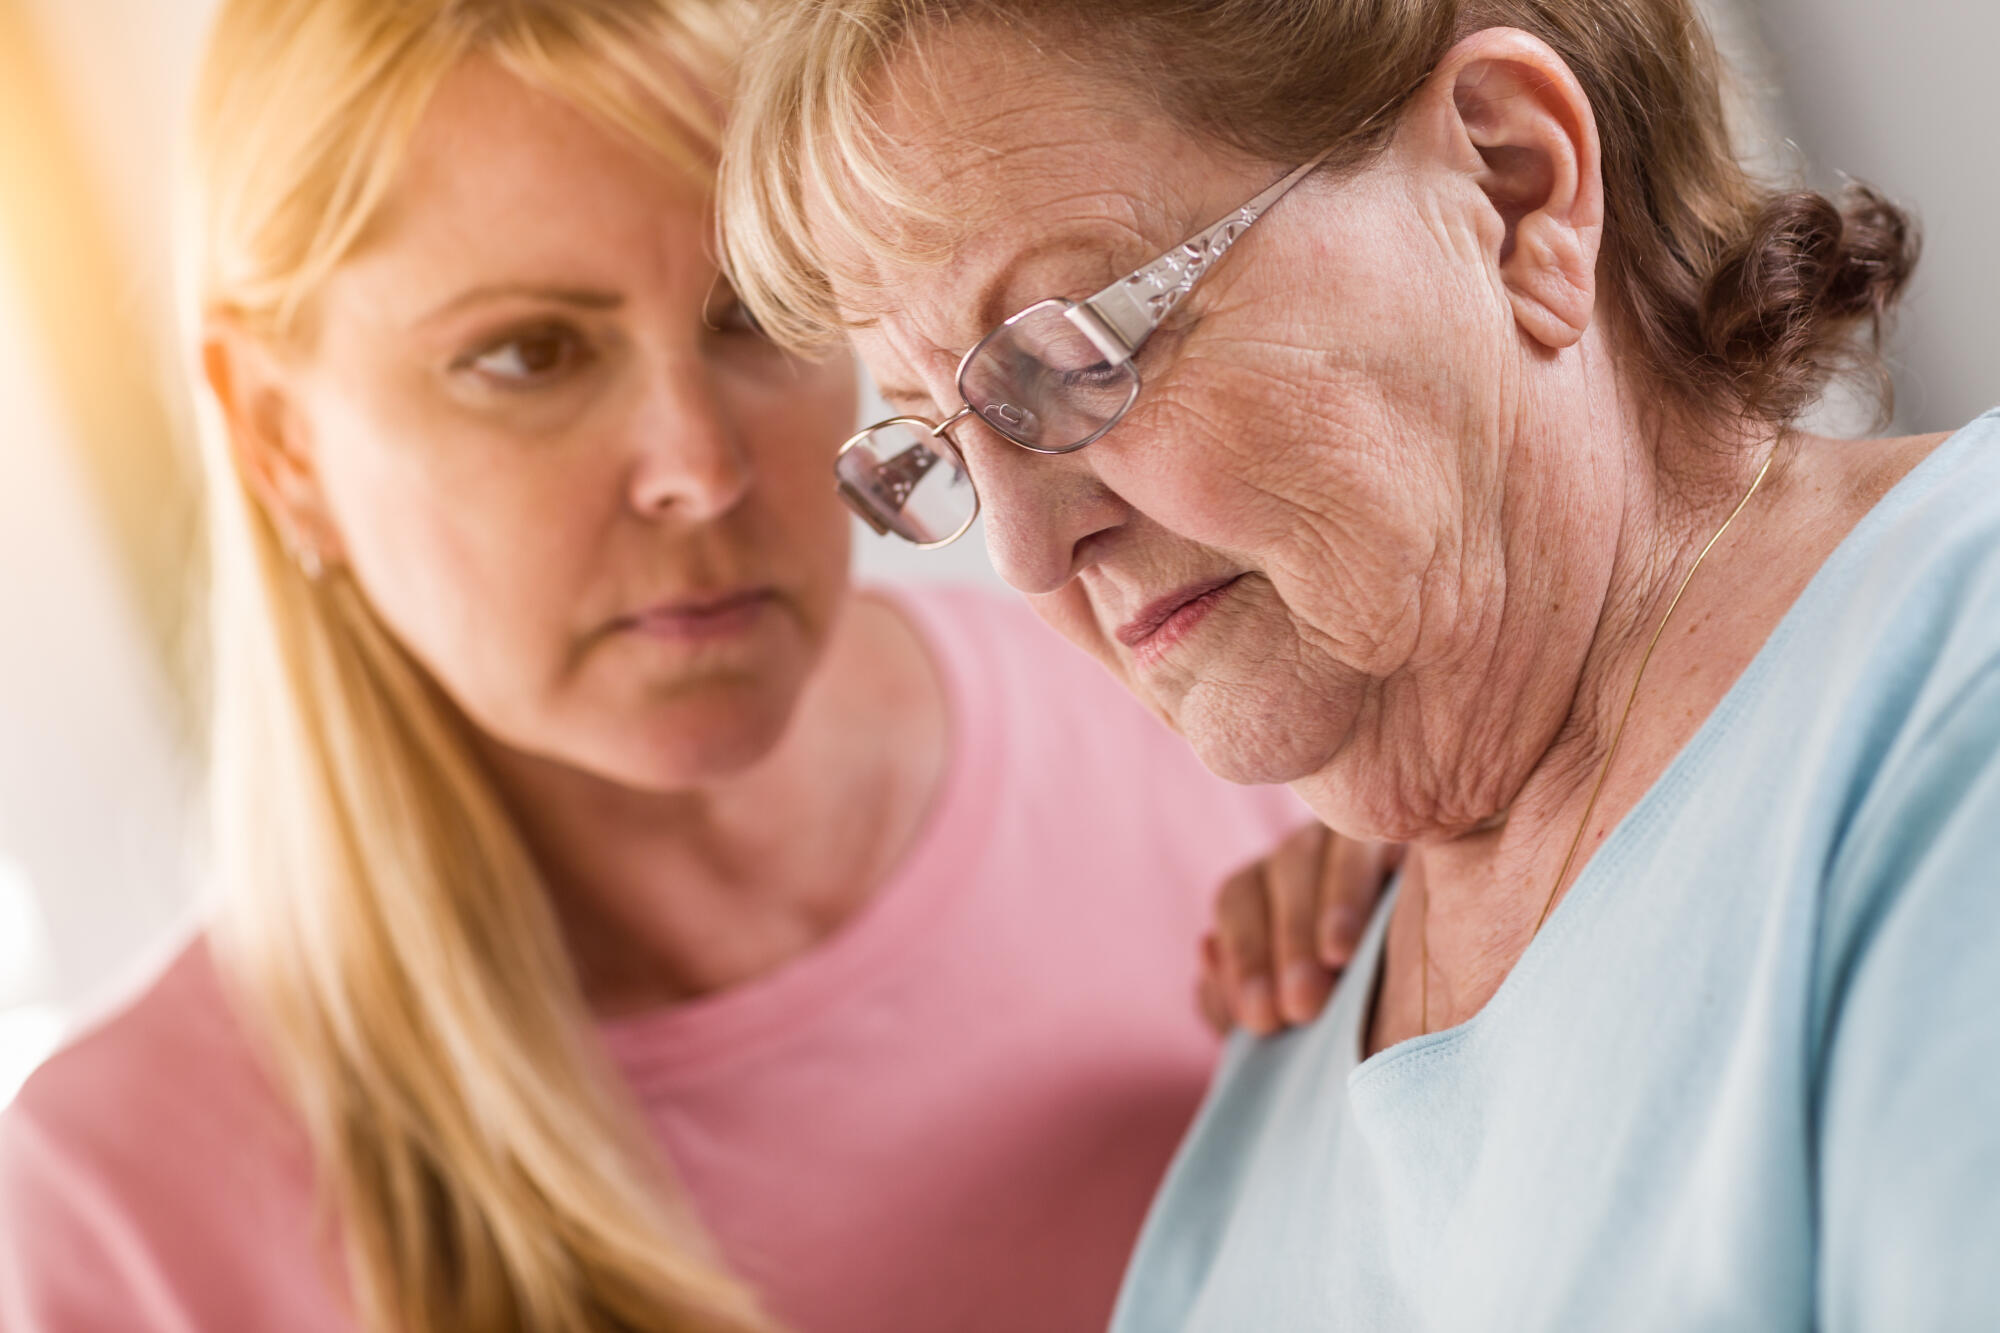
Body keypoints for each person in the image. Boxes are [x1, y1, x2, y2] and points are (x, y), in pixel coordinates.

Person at [0, 3, 1395, 1331]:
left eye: (754, 318)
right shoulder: (117, 1214)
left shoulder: (1199, 708)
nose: (699, 470)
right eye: (530, 355)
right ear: (277, 440)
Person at [721, 0, 2000, 1327]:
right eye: (942, 447)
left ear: (1512, 188)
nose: (1033, 556)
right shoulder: (1291, 1034)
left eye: (1076, 357)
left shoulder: (1953, 684)